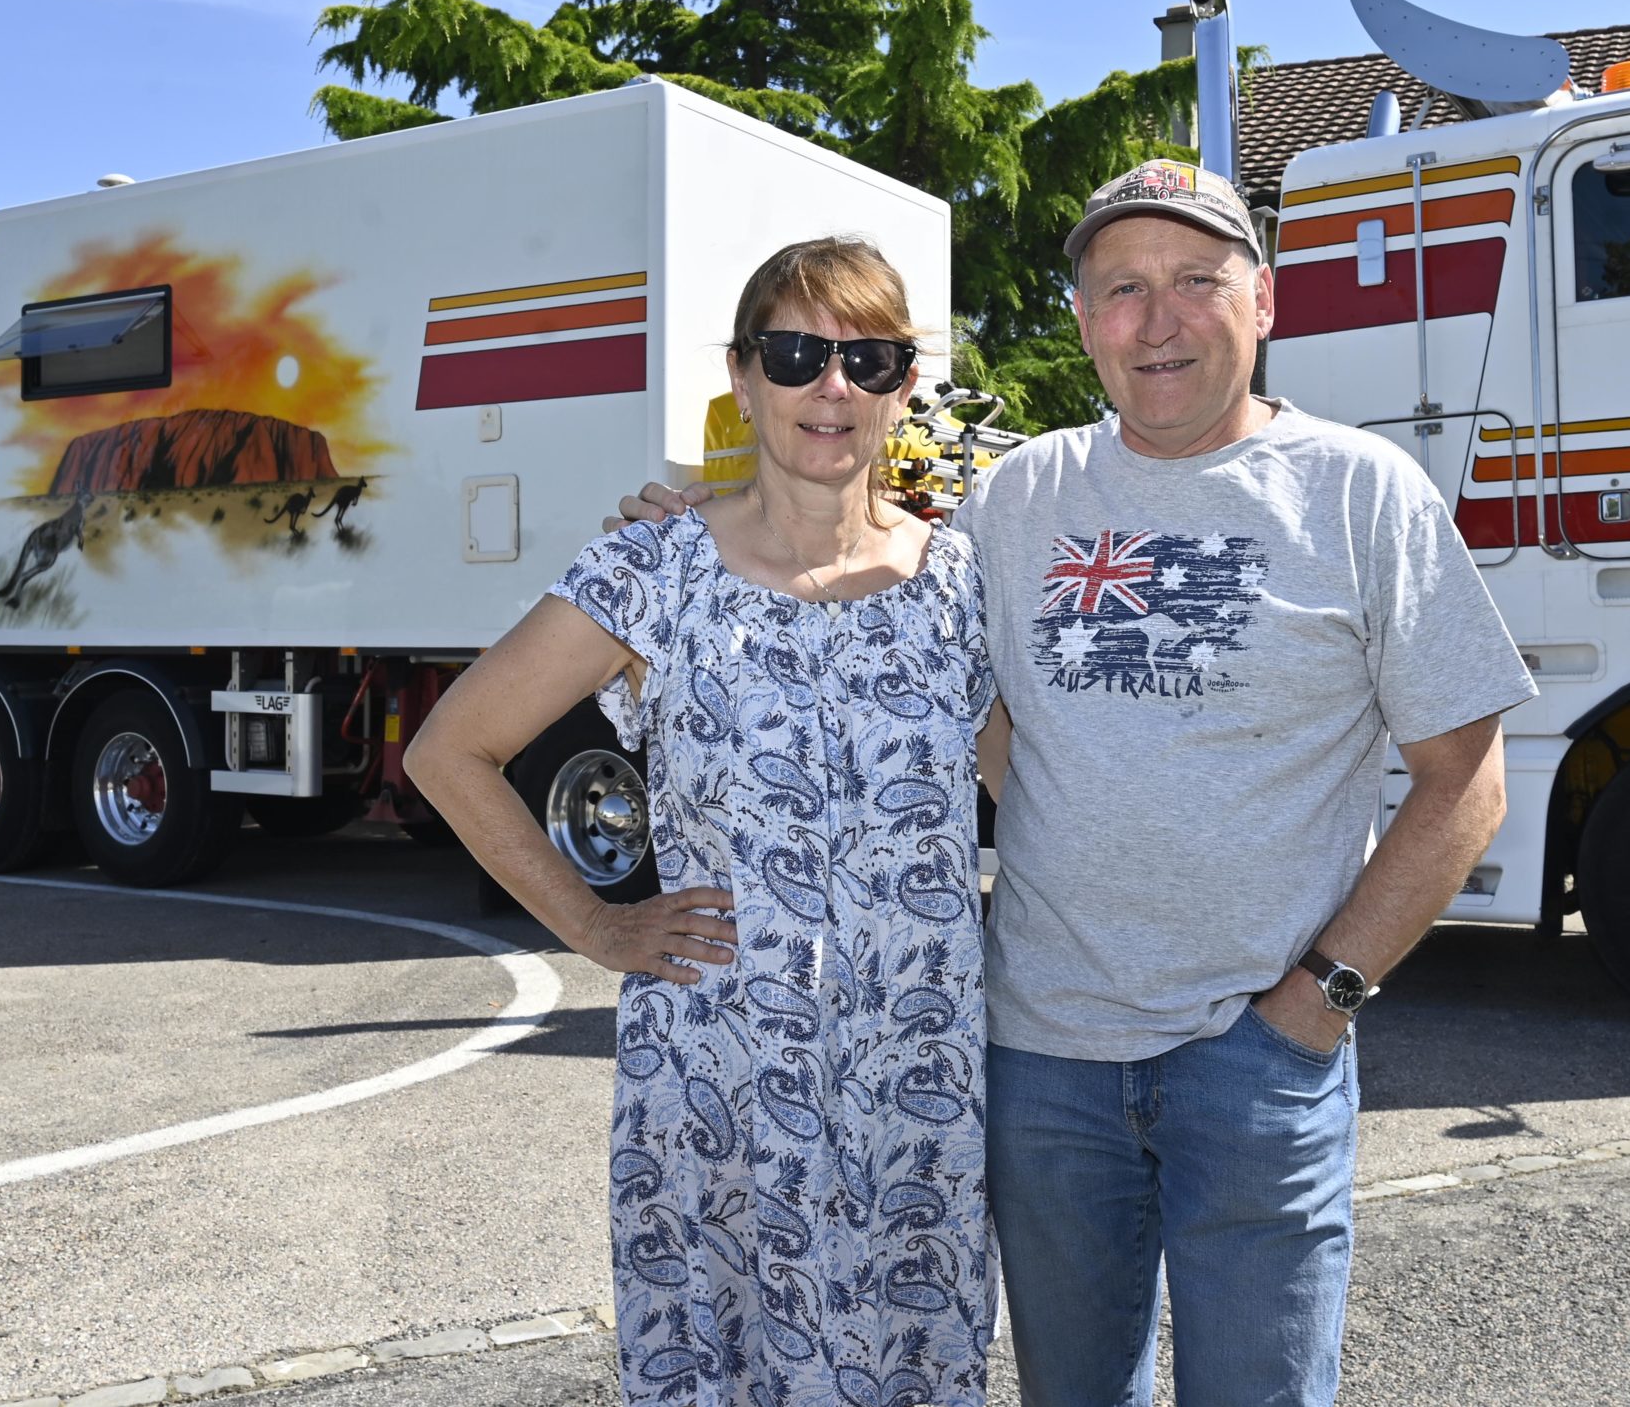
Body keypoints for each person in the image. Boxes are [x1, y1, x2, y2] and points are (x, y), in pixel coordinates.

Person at [620, 160, 1538, 1407]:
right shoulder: (1017, 496)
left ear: (1262, 300)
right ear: (1082, 321)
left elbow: (1463, 781)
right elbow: (868, 576)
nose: (1155, 320)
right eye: (1120, 289)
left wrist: (1317, 1000)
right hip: (1041, 1063)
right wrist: (700, 526)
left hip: (1255, 1057)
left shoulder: (1360, 491)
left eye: (1193, 283)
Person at [410, 238, 1002, 1407]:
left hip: (917, 1084)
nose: (830, 388)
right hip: (720, 1080)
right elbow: (450, 750)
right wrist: (598, 924)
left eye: (868, 358)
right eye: (796, 353)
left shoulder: (961, 583)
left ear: (899, 386)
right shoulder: (654, 568)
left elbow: (1038, 795)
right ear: (743, 375)